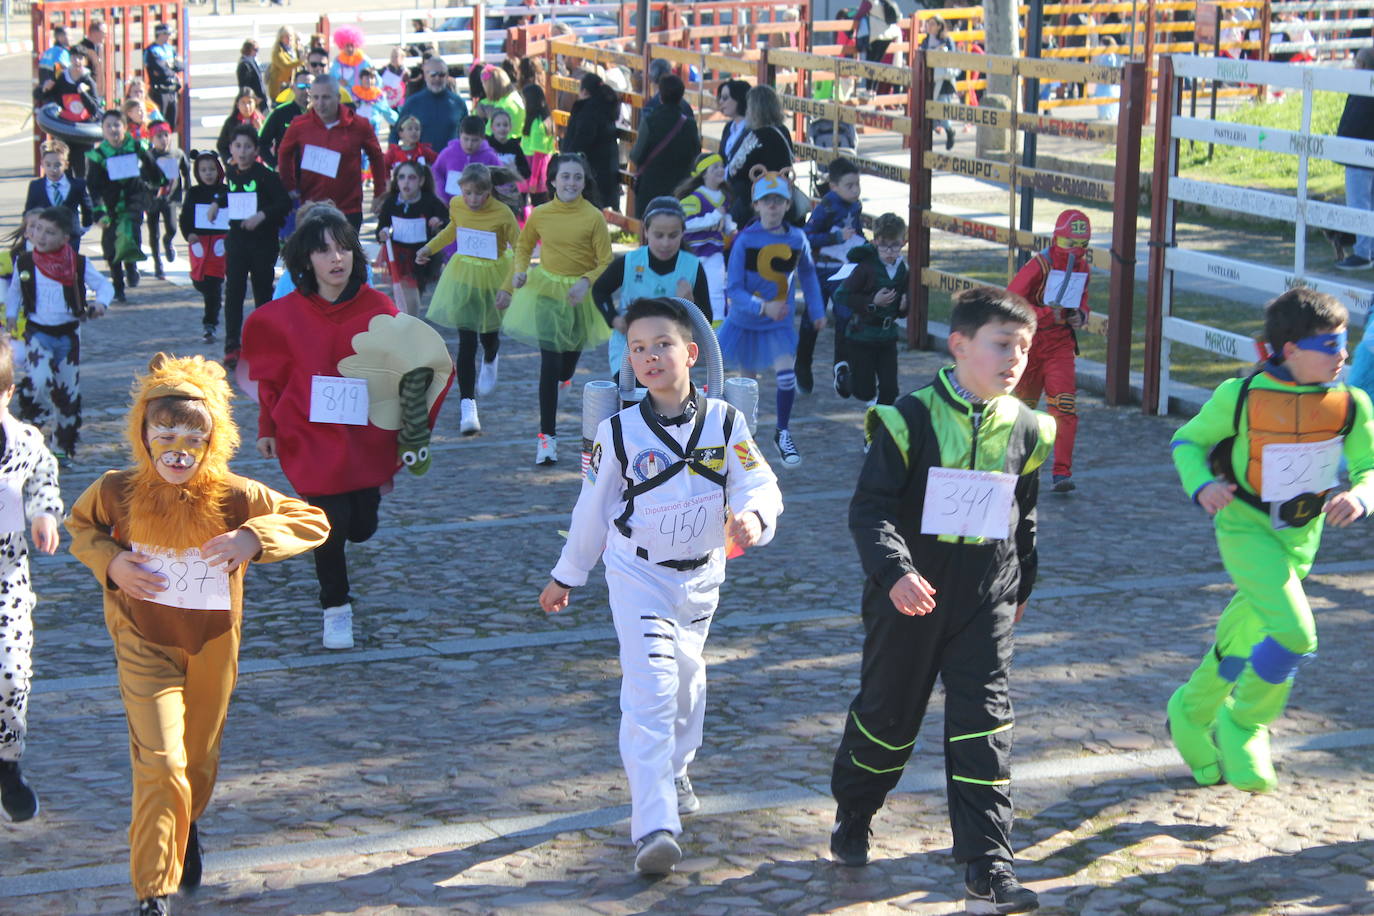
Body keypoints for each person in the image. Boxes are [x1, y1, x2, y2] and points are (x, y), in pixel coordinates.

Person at [66, 353, 330, 916]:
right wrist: (111, 563)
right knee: (160, 761)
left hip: (211, 644)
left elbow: (311, 520)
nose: (177, 449)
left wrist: (252, 540)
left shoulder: (235, 495)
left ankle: (186, 825)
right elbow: (81, 526)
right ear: (144, 434)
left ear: (213, 438)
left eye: (193, 434)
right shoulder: (117, 489)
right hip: (142, 639)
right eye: (164, 433)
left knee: (197, 760)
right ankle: (153, 890)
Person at [539, 295, 783, 876]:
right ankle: (654, 824)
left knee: (688, 686)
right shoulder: (615, 433)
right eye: (638, 349)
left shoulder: (726, 421)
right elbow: (591, 511)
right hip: (638, 575)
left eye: (662, 345)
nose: (650, 357)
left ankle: (676, 767)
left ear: (691, 353)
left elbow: (759, 482)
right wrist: (566, 574)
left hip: (700, 578)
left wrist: (753, 518)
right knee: (650, 689)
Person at [829, 285, 1052, 916]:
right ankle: (855, 810)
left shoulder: (1028, 426)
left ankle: (990, 865)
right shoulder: (910, 418)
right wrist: (894, 573)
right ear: (959, 346)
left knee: (985, 725)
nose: (1015, 359)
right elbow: (869, 509)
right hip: (909, 598)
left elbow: (1023, 518)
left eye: (1025, 347)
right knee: (887, 721)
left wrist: (1022, 589)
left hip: (986, 600)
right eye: (1002, 345)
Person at [1167, 289, 1374, 795]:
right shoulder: (1238, 395)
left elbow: (1371, 467)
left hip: (1302, 538)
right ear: (1289, 349)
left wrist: (1363, 496)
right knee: (1296, 635)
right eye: (1329, 345)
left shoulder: (1352, 402)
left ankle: (1191, 712)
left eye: (1345, 343)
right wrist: (1202, 484)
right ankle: (1245, 722)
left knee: (1242, 641)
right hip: (1244, 527)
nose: (1342, 355)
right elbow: (1187, 441)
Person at [242, 206, 453, 650]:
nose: (336, 258)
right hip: (309, 437)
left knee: (360, 526)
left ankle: (366, 504)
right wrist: (267, 426)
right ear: (306, 261)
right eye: (323, 252)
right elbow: (272, 379)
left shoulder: (380, 309)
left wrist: (412, 422)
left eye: (343, 249)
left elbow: (418, 364)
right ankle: (335, 607)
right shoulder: (284, 315)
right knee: (328, 523)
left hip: (364, 441)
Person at [502, 153, 613, 464]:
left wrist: (587, 281)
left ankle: (566, 379)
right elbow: (523, 246)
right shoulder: (540, 213)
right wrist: (520, 271)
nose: (571, 182)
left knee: (566, 367)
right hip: (546, 293)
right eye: (565, 176)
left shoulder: (593, 217)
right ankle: (546, 438)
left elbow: (605, 261)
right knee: (549, 366)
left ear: (584, 181)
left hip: (579, 298)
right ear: (552, 180)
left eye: (577, 177)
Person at [718, 170, 824, 468]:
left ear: (789, 204)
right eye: (767, 201)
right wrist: (762, 307)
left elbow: (808, 275)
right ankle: (743, 441)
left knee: (786, 375)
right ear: (756, 205)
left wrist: (816, 311)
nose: (773, 206)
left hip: (778, 325)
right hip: (745, 323)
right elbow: (734, 289)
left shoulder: (796, 238)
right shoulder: (745, 240)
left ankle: (783, 431)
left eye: (779, 200)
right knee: (745, 386)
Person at [0, 335, 63, 825]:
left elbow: (44, 479)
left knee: (11, 673)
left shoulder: (25, 443)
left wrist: (44, 515)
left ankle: (8, 763)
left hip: (7, 579)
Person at [6, 206, 115, 466]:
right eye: (38, 229)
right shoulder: (25, 262)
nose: (41, 236)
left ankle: (62, 445)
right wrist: (11, 315)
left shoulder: (77, 263)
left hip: (67, 336)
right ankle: (31, 428)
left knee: (67, 392)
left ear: (65, 238)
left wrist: (101, 303)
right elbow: (15, 292)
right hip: (38, 332)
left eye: (50, 232)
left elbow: (104, 285)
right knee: (39, 380)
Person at [419, 163, 520, 435]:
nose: (473, 199)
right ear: (460, 189)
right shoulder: (456, 205)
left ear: (489, 191)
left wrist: (507, 288)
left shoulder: (502, 213)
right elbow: (453, 229)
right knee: (466, 342)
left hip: (493, 278)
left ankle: (492, 355)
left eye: (479, 194)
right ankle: (468, 407)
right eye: (468, 193)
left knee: (487, 336)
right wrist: (430, 247)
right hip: (463, 276)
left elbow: (520, 250)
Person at [1011, 208, 1092, 493]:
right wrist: (1045, 314)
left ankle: (1062, 471)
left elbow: (1083, 301)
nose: (1076, 251)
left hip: (1060, 345)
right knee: (1022, 409)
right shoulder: (1039, 265)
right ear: (1057, 238)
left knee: (1064, 405)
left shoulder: (1082, 267)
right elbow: (1011, 300)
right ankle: (1016, 465)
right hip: (1030, 344)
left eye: (1083, 245)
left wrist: (1079, 316)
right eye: (1071, 243)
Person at [594, 196, 710, 375]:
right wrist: (614, 319)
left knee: (661, 401)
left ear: (682, 233)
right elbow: (599, 290)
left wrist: (690, 303)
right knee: (633, 400)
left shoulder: (692, 267)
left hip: (670, 354)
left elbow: (706, 321)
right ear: (646, 231)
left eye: (673, 235)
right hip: (630, 350)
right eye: (658, 235)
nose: (665, 243)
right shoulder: (630, 262)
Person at [277, 74, 388, 233]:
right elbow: (284, 152)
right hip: (312, 207)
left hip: (348, 208)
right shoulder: (299, 125)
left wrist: (379, 192)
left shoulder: (359, 124)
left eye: (326, 97)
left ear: (338, 97)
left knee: (345, 255)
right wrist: (289, 185)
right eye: (315, 98)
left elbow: (376, 156)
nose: (320, 104)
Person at [222, 126, 289, 366]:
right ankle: (232, 345)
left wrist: (262, 215)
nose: (242, 152)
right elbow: (220, 196)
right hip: (237, 243)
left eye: (248, 146)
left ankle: (265, 343)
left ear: (256, 150)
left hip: (262, 243)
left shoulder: (265, 176)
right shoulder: (229, 175)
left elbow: (283, 203)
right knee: (234, 293)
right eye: (238, 146)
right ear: (231, 148)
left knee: (262, 292)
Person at [800, 156, 865, 397]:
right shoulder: (826, 207)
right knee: (812, 318)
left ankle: (842, 368)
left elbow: (856, 233)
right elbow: (807, 235)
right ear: (834, 186)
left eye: (858, 184)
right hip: (821, 269)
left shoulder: (855, 206)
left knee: (845, 316)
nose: (855, 190)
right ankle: (803, 364)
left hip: (843, 270)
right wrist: (834, 238)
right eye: (850, 185)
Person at [86, 110, 166, 303]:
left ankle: (131, 265)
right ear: (103, 130)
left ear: (124, 127)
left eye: (117, 125)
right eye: (108, 126)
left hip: (133, 200)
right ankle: (118, 285)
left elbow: (152, 167)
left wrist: (156, 184)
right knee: (111, 245)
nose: (113, 129)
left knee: (130, 233)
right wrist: (98, 211)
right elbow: (94, 187)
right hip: (111, 204)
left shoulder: (135, 146)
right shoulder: (98, 155)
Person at [835, 213, 908, 407]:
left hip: (887, 337)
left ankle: (879, 428)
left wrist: (904, 306)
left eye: (895, 245)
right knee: (864, 391)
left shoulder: (903, 269)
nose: (890, 251)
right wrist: (872, 301)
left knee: (890, 390)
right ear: (875, 242)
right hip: (862, 336)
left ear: (903, 242)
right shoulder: (866, 268)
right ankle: (844, 378)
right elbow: (841, 295)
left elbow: (903, 301)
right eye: (884, 246)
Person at [376, 160, 448, 316]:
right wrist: (382, 233)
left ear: (421, 181)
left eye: (412, 177)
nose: (406, 182)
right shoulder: (391, 202)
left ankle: (409, 319)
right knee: (407, 288)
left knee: (416, 289)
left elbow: (447, 221)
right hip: (399, 254)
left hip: (423, 254)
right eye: (401, 177)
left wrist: (438, 222)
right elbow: (382, 226)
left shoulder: (430, 201)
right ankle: (409, 321)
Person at [629, 75, 701, 220]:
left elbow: (636, 155)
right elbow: (696, 153)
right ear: (681, 95)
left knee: (651, 231)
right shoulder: (689, 124)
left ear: (660, 95)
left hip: (651, 187)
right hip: (680, 187)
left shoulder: (650, 121)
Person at [724, 86, 794, 227]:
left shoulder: (756, 136)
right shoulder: (783, 131)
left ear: (754, 110)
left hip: (755, 203)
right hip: (780, 198)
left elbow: (733, 171)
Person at [179, 151, 229, 343]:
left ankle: (210, 323)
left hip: (218, 242)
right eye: (203, 170)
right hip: (199, 242)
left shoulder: (225, 190)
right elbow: (185, 217)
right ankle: (211, 306)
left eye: (211, 169)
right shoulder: (194, 192)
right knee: (199, 280)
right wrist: (188, 233)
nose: (208, 173)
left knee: (213, 285)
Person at [677, 153, 733, 322]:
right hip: (694, 254)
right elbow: (685, 224)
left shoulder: (725, 197)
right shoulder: (695, 198)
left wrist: (730, 226)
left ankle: (717, 328)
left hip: (715, 251)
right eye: (714, 167)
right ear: (704, 174)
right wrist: (715, 216)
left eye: (721, 166)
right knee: (690, 291)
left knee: (716, 290)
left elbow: (725, 221)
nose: (720, 170)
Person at [561, 73, 622, 212]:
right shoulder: (606, 108)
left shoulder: (587, 111)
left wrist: (566, 159)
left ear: (584, 91)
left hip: (589, 174)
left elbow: (580, 141)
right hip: (606, 172)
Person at [1336, 47, 1374, 271]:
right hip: (1364, 154)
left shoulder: (1362, 91)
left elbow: (1354, 124)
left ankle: (1363, 253)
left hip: (1358, 156)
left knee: (1359, 204)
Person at [391, 55, 469, 152]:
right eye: (433, 74)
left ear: (447, 76)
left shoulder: (458, 103)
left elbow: (469, 135)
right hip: (421, 162)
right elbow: (395, 134)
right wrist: (395, 159)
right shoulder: (413, 102)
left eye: (441, 75)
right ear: (425, 75)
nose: (437, 78)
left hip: (451, 163)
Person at [25, 140, 92, 248]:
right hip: (44, 237)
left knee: (69, 263)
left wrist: (84, 228)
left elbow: (87, 208)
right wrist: (30, 230)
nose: (53, 169)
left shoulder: (77, 185)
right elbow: (29, 210)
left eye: (57, 165)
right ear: (42, 164)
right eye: (48, 165)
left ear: (66, 165)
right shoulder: (36, 186)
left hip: (70, 236)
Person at [145, 123, 189, 279]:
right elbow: (142, 178)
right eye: (159, 136)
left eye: (166, 135)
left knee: (172, 228)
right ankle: (158, 265)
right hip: (152, 200)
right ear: (151, 139)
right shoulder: (148, 156)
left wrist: (188, 189)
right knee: (153, 232)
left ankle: (168, 241)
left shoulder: (177, 154)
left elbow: (186, 170)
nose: (163, 139)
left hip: (170, 199)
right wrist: (150, 187)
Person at [433, 115, 505, 205]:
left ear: (482, 138)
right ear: (460, 136)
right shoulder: (448, 153)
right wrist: (442, 196)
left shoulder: (490, 157)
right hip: (450, 206)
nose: (469, 144)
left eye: (474, 140)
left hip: (480, 209)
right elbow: (436, 173)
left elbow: (502, 182)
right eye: (466, 139)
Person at [922, 17, 960, 151]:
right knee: (929, 112)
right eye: (928, 24)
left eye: (932, 24)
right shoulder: (926, 41)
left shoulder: (947, 40)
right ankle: (926, 147)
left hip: (944, 81)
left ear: (939, 26)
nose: (929, 26)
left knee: (943, 111)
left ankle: (950, 132)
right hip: (930, 80)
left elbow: (953, 59)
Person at [259, 71, 311, 169]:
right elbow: (261, 143)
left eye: (310, 86)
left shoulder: (323, 114)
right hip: (288, 175)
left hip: (315, 177)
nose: (306, 90)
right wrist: (275, 165)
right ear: (292, 87)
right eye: (301, 86)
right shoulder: (280, 113)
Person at [519, 84, 557, 209]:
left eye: (524, 100)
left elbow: (539, 155)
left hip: (536, 172)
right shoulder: (543, 119)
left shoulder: (537, 124)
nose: (523, 103)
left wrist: (534, 180)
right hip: (530, 169)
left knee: (539, 205)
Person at [143, 23, 184, 132]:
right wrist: (171, 66)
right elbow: (161, 70)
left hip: (172, 90)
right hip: (159, 91)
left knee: (171, 123)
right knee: (159, 123)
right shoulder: (151, 50)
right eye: (167, 34)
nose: (169, 37)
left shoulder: (170, 49)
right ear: (160, 35)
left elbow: (181, 65)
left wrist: (168, 65)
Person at [215, 88, 265, 161]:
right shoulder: (231, 122)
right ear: (237, 104)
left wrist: (261, 129)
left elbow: (269, 145)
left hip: (258, 165)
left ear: (255, 103)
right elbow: (221, 146)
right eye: (243, 102)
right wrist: (230, 160)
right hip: (237, 165)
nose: (247, 106)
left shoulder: (263, 120)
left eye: (250, 102)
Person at [479, 65, 526, 138]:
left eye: (483, 84)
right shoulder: (515, 96)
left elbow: (488, 132)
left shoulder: (501, 107)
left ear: (490, 86)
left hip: (505, 144)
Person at [716, 79, 751, 166]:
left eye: (725, 98)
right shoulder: (728, 127)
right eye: (720, 98)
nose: (720, 102)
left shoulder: (753, 128)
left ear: (739, 98)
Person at [266, 27, 302, 102]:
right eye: (286, 36)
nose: (289, 38)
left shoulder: (294, 49)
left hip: (292, 87)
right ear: (281, 38)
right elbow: (285, 66)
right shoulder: (277, 52)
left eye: (291, 36)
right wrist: (301, 61)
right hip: (280, 88)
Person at [76, 20, 107, 97]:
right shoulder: (82, 49)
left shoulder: (98, 47)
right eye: (103, 33)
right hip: (87, 92)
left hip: (97, 92)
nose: (105, 35)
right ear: (94, 33)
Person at [237, 39, 267, 108]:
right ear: (248, 50)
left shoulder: (251, 61)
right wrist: (254, 98)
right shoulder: (245, 65)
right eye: (256, 50)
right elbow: (245, 85)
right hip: (255, 100)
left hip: (260, 98)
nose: (257, 52)